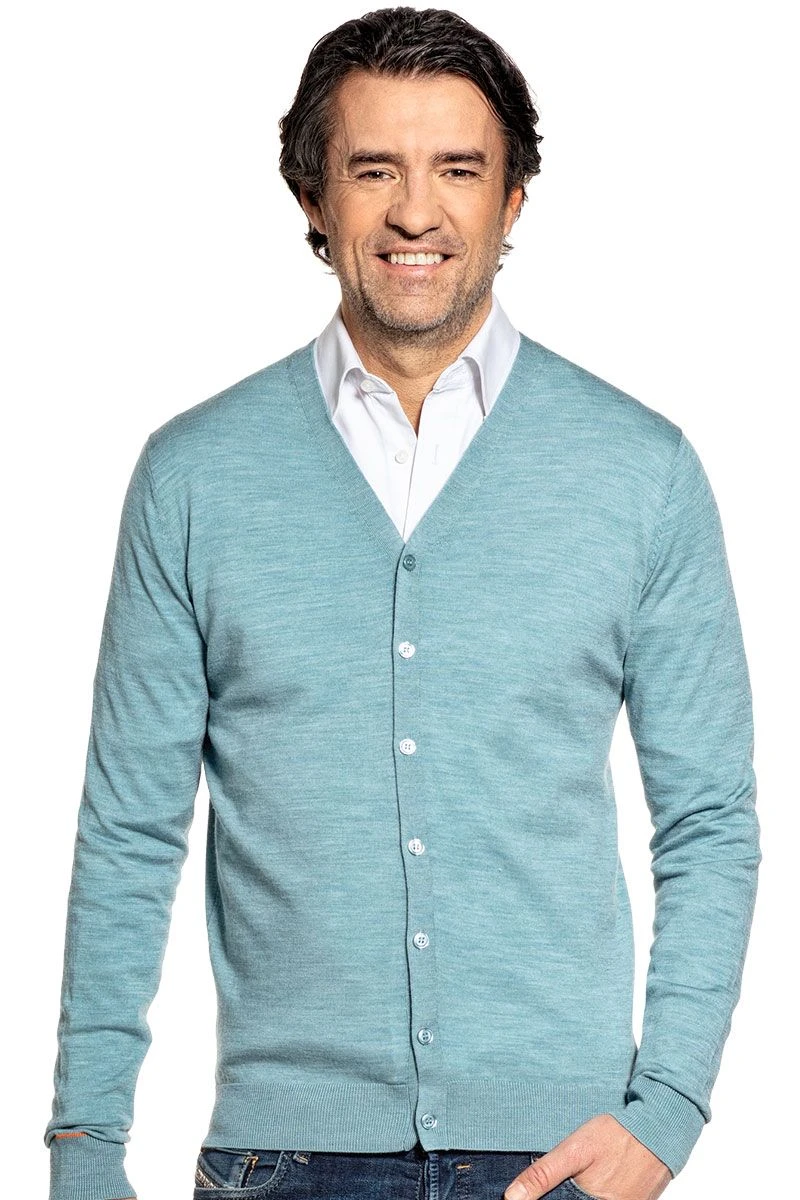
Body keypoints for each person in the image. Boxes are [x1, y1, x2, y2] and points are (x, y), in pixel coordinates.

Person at [43, 7, 761, 1200]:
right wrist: (84, 1145)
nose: (414, 212)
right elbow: (129, 829)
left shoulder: (638, 471)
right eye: (373, 169)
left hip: (563, 1159)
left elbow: (707, 819)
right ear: (313, 198)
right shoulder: (196, 476)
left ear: (512, 201)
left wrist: (667, 1112)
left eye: (458, 171)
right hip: (282, 1158)